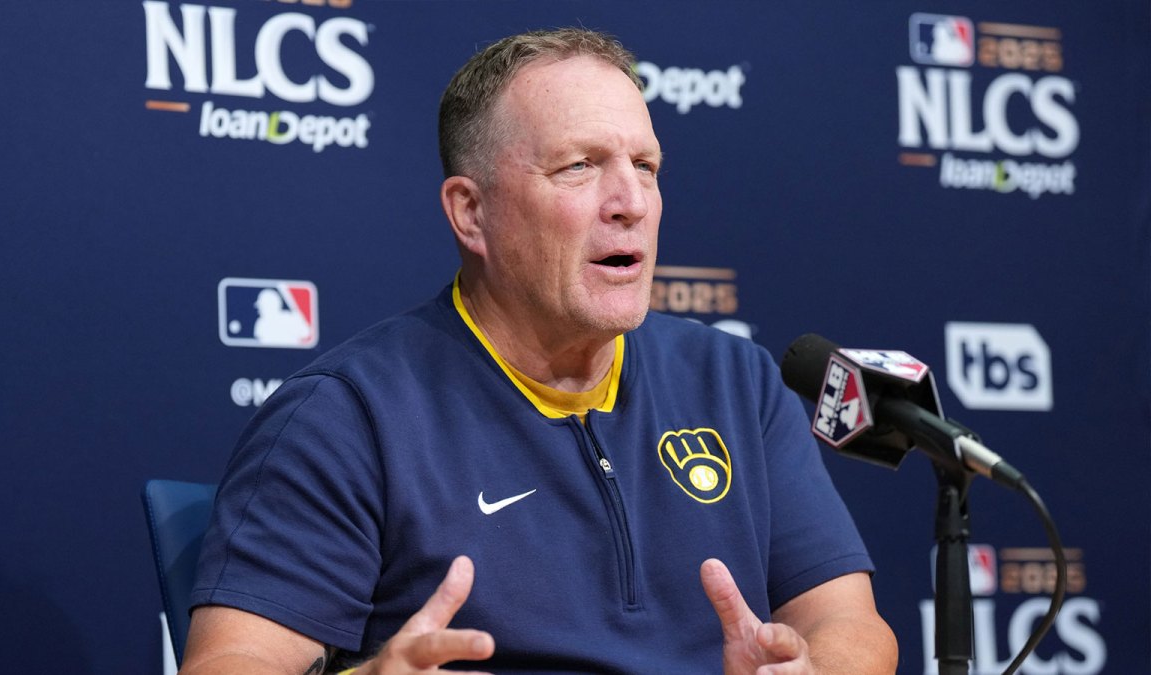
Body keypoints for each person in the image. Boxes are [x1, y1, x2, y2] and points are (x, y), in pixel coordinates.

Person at [181, 28, 898, 674]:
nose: (632, 202)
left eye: (645, 166)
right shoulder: (347, 414)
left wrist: (811, 668)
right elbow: (233, 660)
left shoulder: (736, 380)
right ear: (472, 212)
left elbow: (849, 621)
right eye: (580, 166)